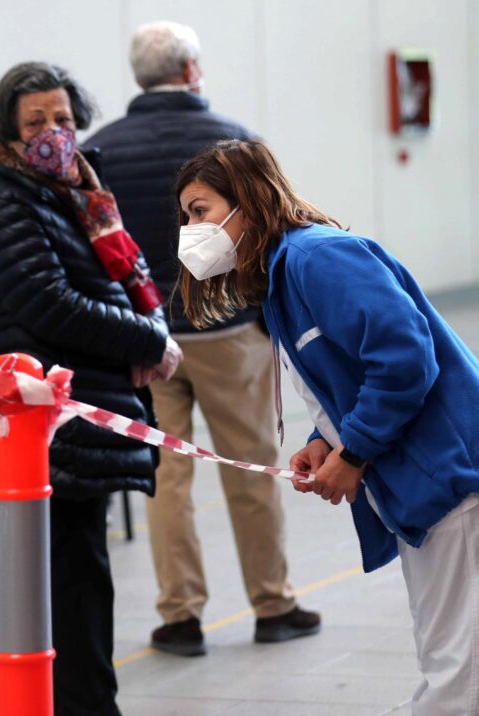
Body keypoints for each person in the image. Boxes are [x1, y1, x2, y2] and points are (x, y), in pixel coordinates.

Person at [175, 139, 479, 715]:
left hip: (456, 468)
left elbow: (404, 357)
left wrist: (353, 453)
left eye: (200, 210)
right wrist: (325, 439)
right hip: (421, 474)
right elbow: (348, 373)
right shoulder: (283, 277)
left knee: (460, 672)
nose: (192, 228)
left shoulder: (317, 258)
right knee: (445, 657)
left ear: (246, 202)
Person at [87, 20, 318, 656]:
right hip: (225, 331)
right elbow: (270, 233)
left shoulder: (100, 150)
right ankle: (274, 604)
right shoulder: (238, 144)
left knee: (167, 478)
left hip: (144, 338)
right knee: (249, 471)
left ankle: (180, 617)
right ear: (191, 70)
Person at [0, 62, 182, 716]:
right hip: (39, 439)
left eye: (62, 118)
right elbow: (51, 305)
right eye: (36, 123)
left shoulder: (79, 191)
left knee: (82, 592)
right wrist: (147, 343)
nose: (54, 132)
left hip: (75, 434)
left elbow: (132, 273)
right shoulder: (4, 202)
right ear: (6, 133)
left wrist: (152, 327)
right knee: (63, 600)